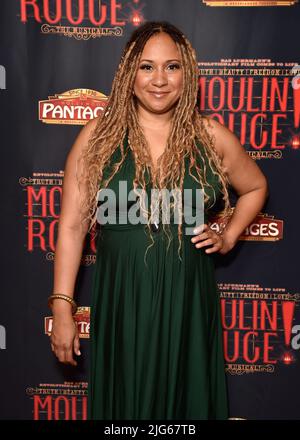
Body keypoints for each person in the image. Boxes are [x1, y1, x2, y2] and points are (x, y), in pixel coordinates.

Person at [48, 21, 268, 420]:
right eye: (147, 67)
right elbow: (72, 227)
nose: (160, 80)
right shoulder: (97, 137)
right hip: (123, 298)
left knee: (187, 402)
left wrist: (229, 234)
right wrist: (63, 308)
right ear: (128, 74)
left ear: (188, 74)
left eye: (172, 67)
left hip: (188, 300)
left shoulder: (210, 136)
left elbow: (254, 187)